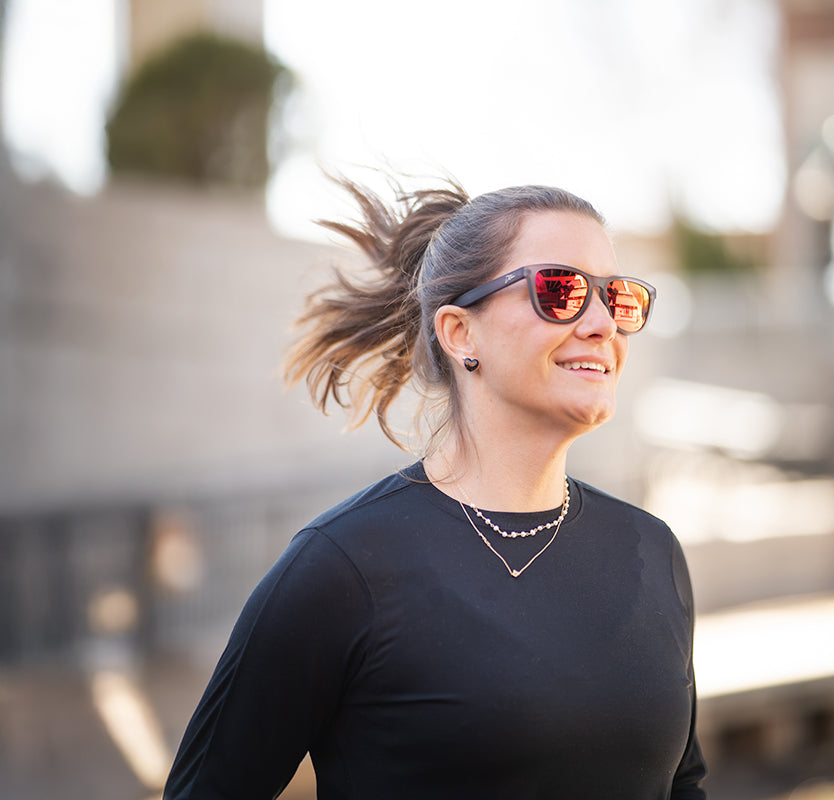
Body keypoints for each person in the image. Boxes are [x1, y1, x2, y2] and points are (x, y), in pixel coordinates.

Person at [163, 175, 707, 799]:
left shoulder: (651, 550)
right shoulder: (344, 567)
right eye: (561, 291)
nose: (602, 323)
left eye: (619, 298)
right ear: (459, 333)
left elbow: (683, 786)